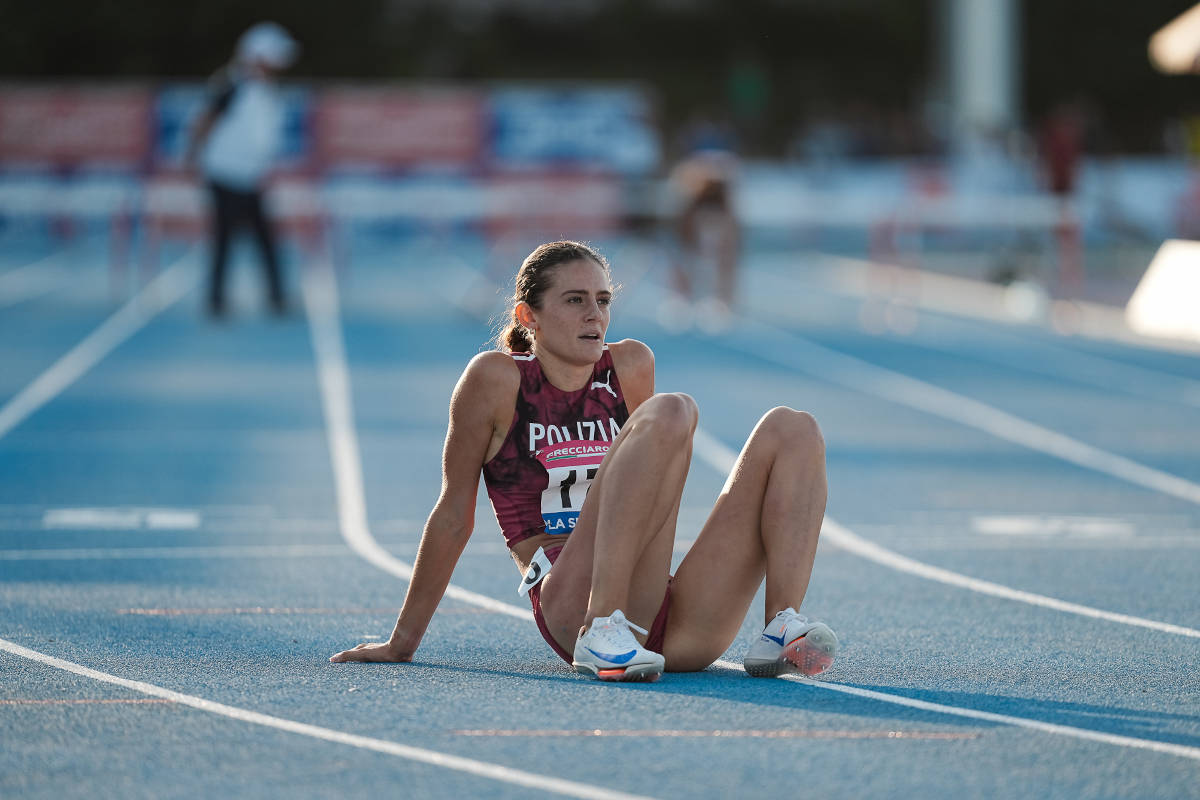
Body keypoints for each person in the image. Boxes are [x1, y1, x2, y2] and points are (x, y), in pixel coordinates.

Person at [330, 241, 837, 682]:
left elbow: (653, 487)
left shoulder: (630, 365)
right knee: (674, 409)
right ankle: (604, 627)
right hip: (572, 604)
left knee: (794, 426)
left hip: (669, 616)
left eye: (602, 300)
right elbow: (452, 513)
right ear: (529, 316)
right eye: (575, 301)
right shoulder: (496, 380)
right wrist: (403, 641)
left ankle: (781, 625)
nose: (594, 314)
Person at [186, 22, 298, 318]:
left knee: (266, 240)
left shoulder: (264, 89)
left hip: (252, 177)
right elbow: (205, 119)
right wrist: (192, 157)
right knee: (224, 240)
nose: (279, 62)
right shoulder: (231, 84)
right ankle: (217, 301)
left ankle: (275, 298)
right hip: (225, 174)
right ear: (258, 54)